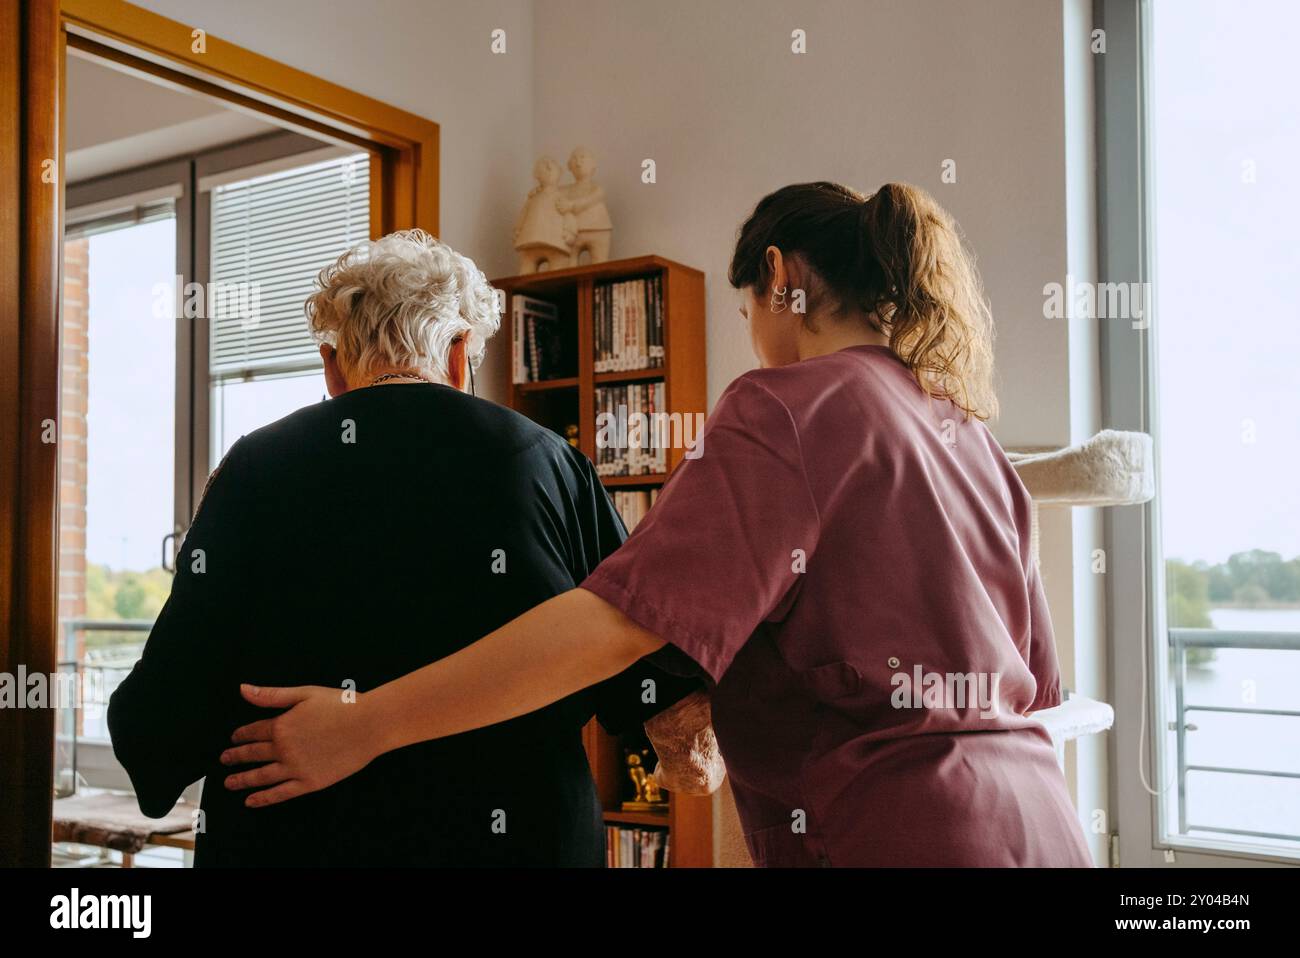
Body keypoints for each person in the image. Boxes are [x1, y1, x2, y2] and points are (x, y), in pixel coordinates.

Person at [220, 184, 1095, 867]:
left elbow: (612, 626)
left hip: (897, 831)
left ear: (782, 277)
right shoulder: (966, 430)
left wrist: (363, 723)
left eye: (748, 308)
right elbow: (1041, 686)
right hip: (1040, 825)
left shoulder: (789, 405)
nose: (752, 338)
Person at [107, 229, 701, 866]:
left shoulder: (254, 468)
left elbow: (159, 721)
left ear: (332, 366)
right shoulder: (548, 463)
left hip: (295, 845)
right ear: (458, 352)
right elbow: (652, 673)